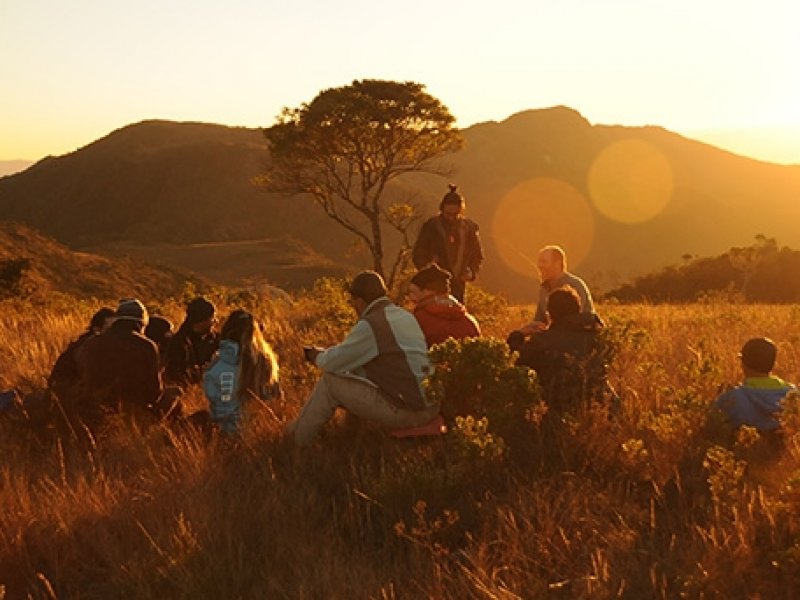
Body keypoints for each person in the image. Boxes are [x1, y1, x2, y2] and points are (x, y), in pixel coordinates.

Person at [287, 271, 439, 446]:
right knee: (356, 374)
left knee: (331, 382)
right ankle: (350, 436)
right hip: (429, 406)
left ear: (359, 301)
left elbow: (334, 363)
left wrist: (316, 356)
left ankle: (296, 440)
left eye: (353, 302)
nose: (353, 306)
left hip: (409, 411)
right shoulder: (404, 316)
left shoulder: (372, 324)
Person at [508, 286, 608, 412]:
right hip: (596, 406)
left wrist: (519, 334)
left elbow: (514, 359)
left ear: (549, 314)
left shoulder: (543, 341)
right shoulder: (597, 335)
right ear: (578, 309)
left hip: (556, 409)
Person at [80, 298, 176, 426]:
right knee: (175, 394)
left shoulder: (91, 343)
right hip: (132, 414)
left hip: (95, 409)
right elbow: (153, 393)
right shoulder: (146, 346)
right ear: (142, 324)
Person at [203, 309, 282, 434]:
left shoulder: (218, 366)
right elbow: (276, 398)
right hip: (260, 430)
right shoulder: (267, 361)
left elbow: (219, 405)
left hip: (226, 431)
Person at [412, 184, 484, 304]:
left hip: (459, 284)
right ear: (441, 209)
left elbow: (477, 255)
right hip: (434, 286)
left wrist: (471, 272)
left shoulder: (469, 229)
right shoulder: (432, 226)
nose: (451, 218)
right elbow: (419, 253)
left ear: (460, 211)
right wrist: (429, 272)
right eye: (447, 214)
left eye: (454, 215)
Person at [714, 337, 796, 431]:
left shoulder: (730, 398)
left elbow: (710, 427)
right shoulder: (794, 395)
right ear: (773, 363)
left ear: (743, 364)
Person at [519, 245, 594, 334]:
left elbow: (574, 322)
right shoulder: (544, 288)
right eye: (539, 261)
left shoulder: (575, 285)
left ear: (557, 264)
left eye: (543, 261)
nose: (539, 266)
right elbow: (539, 320)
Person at [48, 306, 115, 401]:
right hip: (68, 397)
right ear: (96, 330)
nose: (113, 333)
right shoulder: (86, 347)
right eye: (109, 329)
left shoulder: (88, 344)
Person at [407, 263, 480, 347]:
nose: (410, 298)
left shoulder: (417, 322)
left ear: (428, 291)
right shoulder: (470, 323)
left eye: (414, 293)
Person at [164, 296, 219, 387]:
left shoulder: (216, 338)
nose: (215, 321)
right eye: (212, 318)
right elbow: (176, 377)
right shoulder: (179, 344)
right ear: (202, 321)